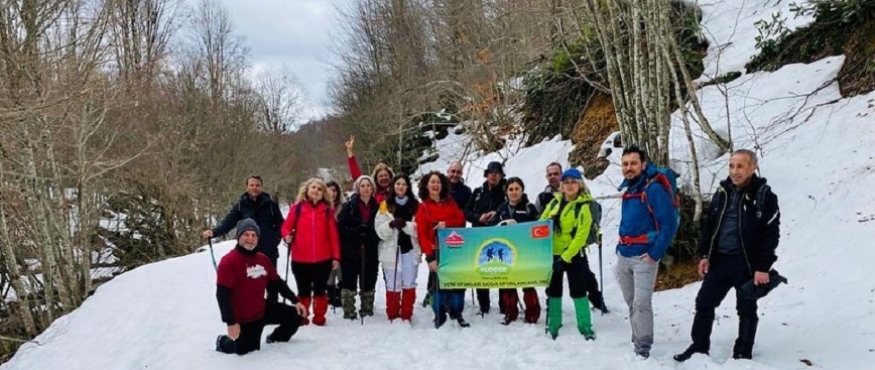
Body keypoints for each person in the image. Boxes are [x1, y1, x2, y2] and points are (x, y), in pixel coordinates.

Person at [674, 149, 781, 362]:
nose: (734, 171)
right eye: (731, 166)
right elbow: (709, 226)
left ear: (753, 167)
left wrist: (763, 267)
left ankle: (743, 352)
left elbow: (771, 235)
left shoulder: (764, 196)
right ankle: (699, 346)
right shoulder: (722, 192)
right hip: (720, 260)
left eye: (740, 166)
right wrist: (704, 255)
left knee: (746, 308)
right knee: (704, 303)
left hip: (746, 264)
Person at [615, 146, 679, 358]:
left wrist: (654, 254)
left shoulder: (653, 189)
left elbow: (668, 224)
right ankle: (638, 336)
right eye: (625, 164)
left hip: (644, 257)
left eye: (633, 163)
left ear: (643, 164)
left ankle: (642, 348)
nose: (629, 168)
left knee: (642, 304)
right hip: (624, 254)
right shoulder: (629, 190)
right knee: (631, 301)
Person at [215, 219, 307, 356]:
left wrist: (296, 301)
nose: (250, 239)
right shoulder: (228, 261)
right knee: (246, 351)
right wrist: (231, 322)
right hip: (244, 318)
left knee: (297, 315)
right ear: (238, 237)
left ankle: (275, 338)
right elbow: (222, 295)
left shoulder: (262, 259)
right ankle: (223, 342)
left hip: (262, 310)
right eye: (246, 235)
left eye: (254, 235)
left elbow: (276, 282)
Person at [537, 163, 609, 314]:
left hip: (574, 250)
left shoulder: (582, 199)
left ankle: (597, 302)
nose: (553, 177)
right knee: (554, 285)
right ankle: (553, 314)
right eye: (550, 175)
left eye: (556, 174)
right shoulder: (546, 197)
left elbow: (586, 224)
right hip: (554, 249)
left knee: (585, 279)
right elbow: (539, 221)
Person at [203, 175, 285, 302]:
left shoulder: (271, 205)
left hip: (268, 249)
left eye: (257, 185)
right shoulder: (241, 205)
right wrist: (214, 232)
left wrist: (276, 239)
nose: (254, 188)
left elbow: (281, 224)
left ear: (261, 187)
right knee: (250, 279)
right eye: (251, 185)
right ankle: (252, 306)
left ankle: (272, 306)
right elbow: (228, 222)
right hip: (248, 249)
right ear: (246, 187)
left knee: (271, 279)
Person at [539, 169, 597, 340]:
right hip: (554, 254)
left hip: (574, 256)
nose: (569, 185)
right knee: (554, 290)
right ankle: (554, 324)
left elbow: (581, 236)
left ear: (580, 184)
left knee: (578, 290)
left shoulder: (584, 206)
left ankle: (585, 326)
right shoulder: (553, 203)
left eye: (573, 181)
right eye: (566, 182)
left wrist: (565, 258)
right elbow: (541, 224)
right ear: (562, 186)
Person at [279, 178, 340, 326]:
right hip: (300, 258)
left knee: (320, 289)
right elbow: (286, 227)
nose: (316, 191)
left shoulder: (327, 211)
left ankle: (319, 316)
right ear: (306, 189)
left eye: (320, 189)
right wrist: (287, 236)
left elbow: (333, 235)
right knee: (303, 290)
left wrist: (336, 257)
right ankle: (303, 315)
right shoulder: (297, 208)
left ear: (323, 193)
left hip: (323, 258)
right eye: (313, 187)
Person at [416, 171, 469, 328]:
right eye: (432, 182)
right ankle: (438, 313)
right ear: (426, 185)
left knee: (458, 282)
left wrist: (447, 223)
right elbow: (422, 235)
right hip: (436, 250)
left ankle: (456, 311)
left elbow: (461, 220)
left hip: (453, 249)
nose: (435, 185)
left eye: (438, 182)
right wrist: (430, 257)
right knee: (437, 284)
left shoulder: (450, 202)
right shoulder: (423, 207)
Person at [491, 177, 541, 325]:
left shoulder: (529, 208)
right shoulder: (501, 209)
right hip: (506, 253)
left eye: (516, 189)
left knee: (527, 283)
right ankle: (510, 313)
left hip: (525, 252)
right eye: (510, 189)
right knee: (507, 284)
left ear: (522, 190)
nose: (513, 192)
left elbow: (537, 229)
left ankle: (532, 313)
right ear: (506, 191)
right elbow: (493, 230)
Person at [423, 161, 472, 308]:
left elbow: (464, 215)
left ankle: (450, 296)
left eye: (458, 172)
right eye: (453, 171)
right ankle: (431, 294)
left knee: (452, 268)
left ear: (461, 174)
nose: (455, 174)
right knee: (435, 268)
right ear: (448, 172)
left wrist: (450, 222)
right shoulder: (437, 188)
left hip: (456, 235)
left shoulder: (466, 191)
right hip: (437, 235)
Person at [375, 174, 421, 322]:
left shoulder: (416, 205)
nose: (400, 187)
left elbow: (420, 228)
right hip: (391, 249)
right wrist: (390, 225)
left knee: (409, 281)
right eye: (398, 184)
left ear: (408, 187)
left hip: (410, 248)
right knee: (393, 283)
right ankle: (393, 314)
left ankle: (406, 314)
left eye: (404, 184)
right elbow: (379, 230)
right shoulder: (384, 205)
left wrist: (406, 226)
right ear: (393, 187)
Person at [464, 161, 508, 315]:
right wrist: (478, 217)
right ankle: (484, 305)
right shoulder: (478, 192)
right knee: (482, 270)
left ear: (501, 174)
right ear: (486, 174)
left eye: (496, 172)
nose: (493, 175)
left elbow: (514, 208)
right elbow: (466, 212)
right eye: (490, 172)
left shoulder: (507, 190)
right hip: (480, 236)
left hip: (502, 237)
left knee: (504, 270)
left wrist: (497, 214)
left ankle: (505, 305)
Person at [337, 175, 381, 320]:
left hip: (370, 249)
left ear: (373, 188)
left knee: (369, 279)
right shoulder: (349, 206)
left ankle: (367, 308)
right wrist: (356, 232)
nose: (366, 188)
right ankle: (349, 310)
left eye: (368, 185)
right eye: (362, 186)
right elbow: (341, 225)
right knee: (349, 280)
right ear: (358, 188)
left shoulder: (378, 207)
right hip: (351, 250)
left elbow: (381, 227)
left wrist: (370, 234)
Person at [345, 135, 394, 203]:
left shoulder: (396, 190)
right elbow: (357, 177)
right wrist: (350, 152)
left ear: (390, 176)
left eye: (386, 175)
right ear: (376, 179)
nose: (384, 178)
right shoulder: (372, 192)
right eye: (380, 176)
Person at [325, 180, 346, 308]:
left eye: (334, 190)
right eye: (329, 190)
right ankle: (330, 295)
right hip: (326, 246)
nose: (332, 193)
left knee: (341, 272)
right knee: (329, 274)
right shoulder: (321, 208)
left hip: (342, 244)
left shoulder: (343, 207)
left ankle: (340, 295)